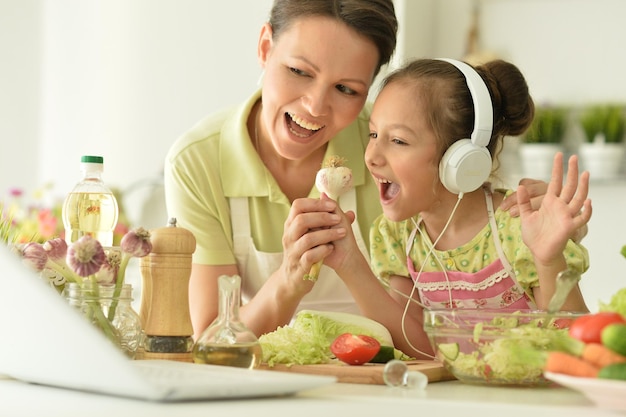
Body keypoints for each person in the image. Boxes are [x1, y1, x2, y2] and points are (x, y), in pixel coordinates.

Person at [164, 0, 553, 340]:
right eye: (299, 71)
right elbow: (214, 336)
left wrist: (542, 228)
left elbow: (467, 215)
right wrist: (287, 281)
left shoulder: (396, 147)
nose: (315, 106)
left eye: (346, 89)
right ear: (266, 48)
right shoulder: (198, 162)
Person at [323, 58, 592, 359]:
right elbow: (417, 349)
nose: (371, 156)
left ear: (462, 159)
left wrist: (548, 259)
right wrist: (350, 264)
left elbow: (577, 349)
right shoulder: (399, 236)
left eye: (398, 140)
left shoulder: (520, 229)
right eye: (374, 134)